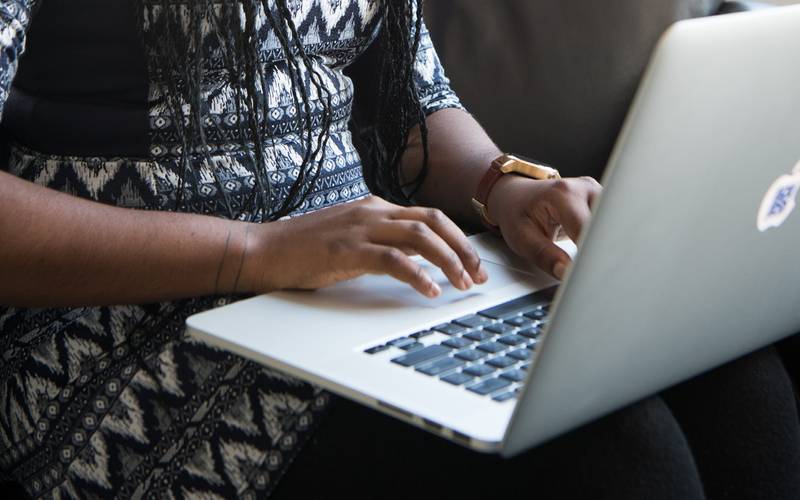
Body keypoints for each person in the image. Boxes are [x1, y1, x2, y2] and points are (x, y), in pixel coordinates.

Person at [0, 1, 798, 498]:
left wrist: (504, 184)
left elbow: (408, 95)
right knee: (617, 457)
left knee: (737, 386)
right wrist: (257, 250)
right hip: (115, 335)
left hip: (347, 282)